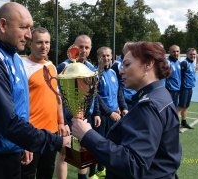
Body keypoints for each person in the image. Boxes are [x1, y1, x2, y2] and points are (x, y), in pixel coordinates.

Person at [0, 2, 70, 179]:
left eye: (30, 28)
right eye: (24, 27)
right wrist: (55, 141)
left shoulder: (14, 57)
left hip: (9, 150)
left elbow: (19, 107)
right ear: (3, 25)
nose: (29, 34)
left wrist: (21, 144)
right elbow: (8, 122)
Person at [71, 42, 182, 178]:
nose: (121, 70)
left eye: (127, 64)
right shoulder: (160, 94)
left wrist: (87, 135)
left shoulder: (149, 106)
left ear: (148, 64)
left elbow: (133, 165)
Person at [21, 27, 69, 179]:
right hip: (31, 133)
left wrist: (61, 122)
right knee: (27, 175)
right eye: (39, 42)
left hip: (52, 133)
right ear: (30, 44)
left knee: (46, 173)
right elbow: (16, 103)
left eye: (47, 42)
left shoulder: (51, 66)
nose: (44, 46)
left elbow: (57, 96)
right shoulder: (22, 67)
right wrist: (21, 138)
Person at [57, 34, 99, 179]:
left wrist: (96, 112)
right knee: (64, 152)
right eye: (80, 46)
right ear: (73, 47)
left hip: (85, 117)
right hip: (68, 118)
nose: (83, 50)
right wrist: (61, 121)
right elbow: (57, 96)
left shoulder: (91, 68)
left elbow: (94, 93)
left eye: (87, 47)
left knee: (85, 150)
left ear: (90, 49)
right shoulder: (64, 66)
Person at [89, 47, 128, 178]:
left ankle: (101, 169)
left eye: (108, 55)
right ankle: (92, 172)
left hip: (115, 115)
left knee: (110, 144)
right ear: (98, 57)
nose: (106, 58)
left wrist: (123, 107)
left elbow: (118, 92)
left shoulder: (112, 72)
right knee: (98, 144)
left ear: (112, 57)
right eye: (103, 56)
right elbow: (96, 96)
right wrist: (108, 113)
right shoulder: (95, 73)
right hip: (102, 116)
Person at [111, 42, 136, 109]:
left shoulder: (136, 63)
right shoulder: (116, 65)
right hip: (124, 102)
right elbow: (114, 86)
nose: (130, 52)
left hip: (135, 99)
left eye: (132, 50)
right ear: (123, 51)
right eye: (128, 50)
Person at [178, 48, 197, 129]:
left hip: (190, 88)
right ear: (187, 54)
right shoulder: (184, 63)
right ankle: (172, 125)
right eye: (191, 54)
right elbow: (179, 75)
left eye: (194, 54)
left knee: (185, 106)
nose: (193, 55)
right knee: (180, 107)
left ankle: (183, 122)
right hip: (184, 88)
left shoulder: (192, 63)